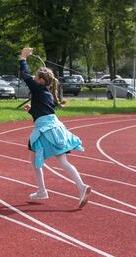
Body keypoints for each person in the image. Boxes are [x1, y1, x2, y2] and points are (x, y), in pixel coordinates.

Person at [19, 47, 91, 208]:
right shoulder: (47, 93)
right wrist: (31, 110)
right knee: (63, 161)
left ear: (41, 80)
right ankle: (81, 186)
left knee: (34, 160)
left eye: (36, 77)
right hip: (56, 128)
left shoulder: (38, 88)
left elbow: (24, 75)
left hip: (45, 130)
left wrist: (23, 58)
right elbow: (43, 112)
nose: (33, 78)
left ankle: (42, 190)